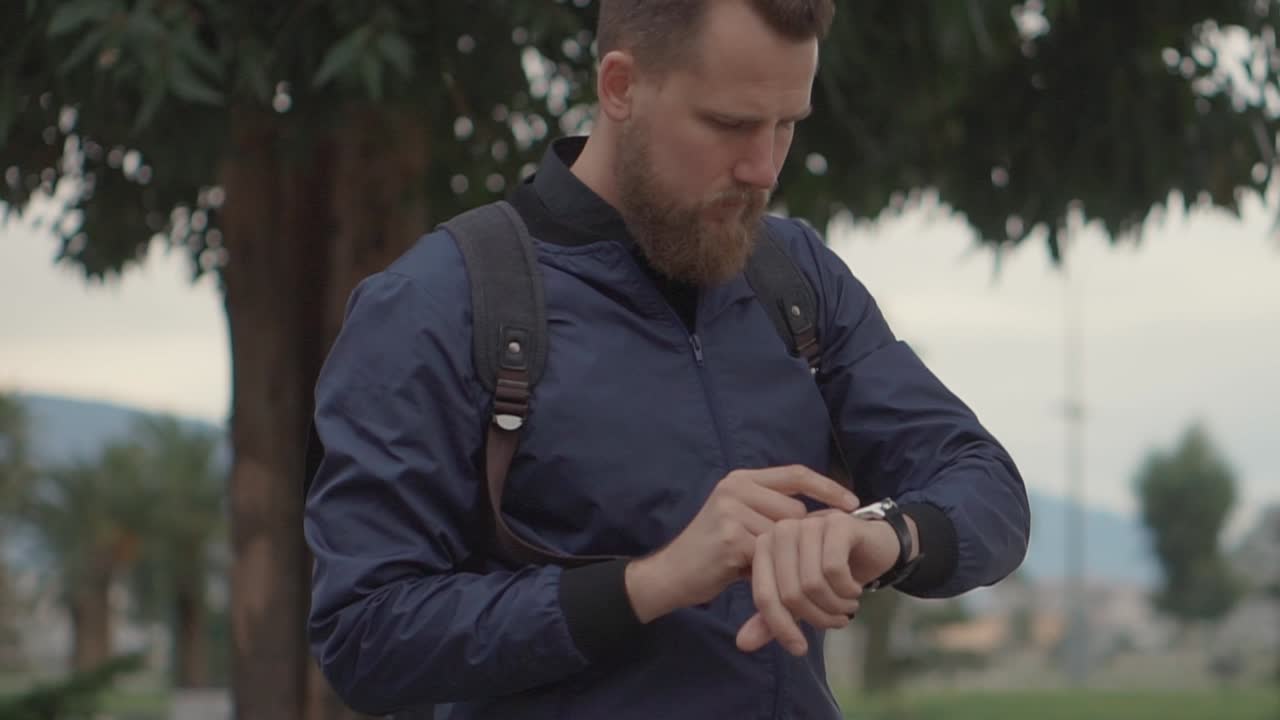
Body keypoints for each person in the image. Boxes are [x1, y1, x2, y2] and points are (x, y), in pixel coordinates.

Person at [304, 1, 1031, 718]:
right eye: (731, 124)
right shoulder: (437, 304)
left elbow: (985, 485)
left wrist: (881, 536)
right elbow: (363, 636)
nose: (762, 168)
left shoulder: (798, 277)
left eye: (787, 126)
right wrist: (650, 584)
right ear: (620, 86)